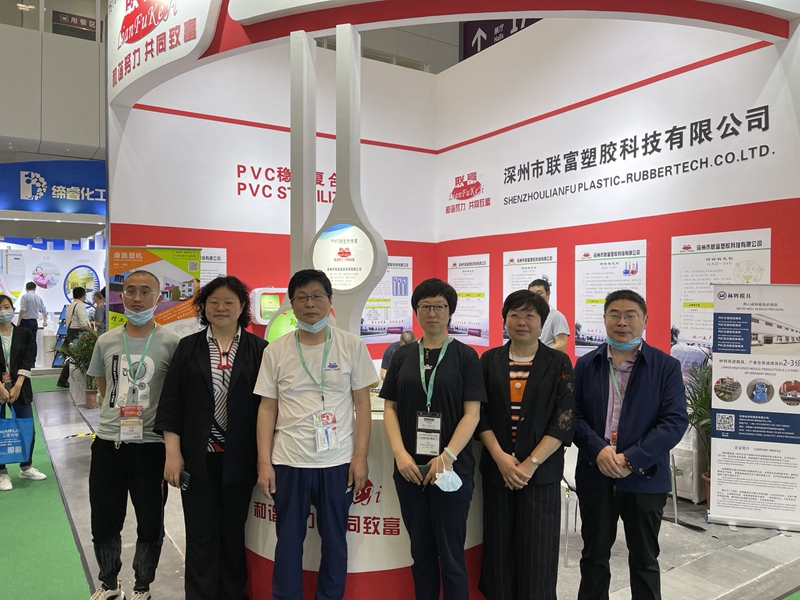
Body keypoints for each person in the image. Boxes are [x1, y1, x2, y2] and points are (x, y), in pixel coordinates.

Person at [255, 269, 377, 600]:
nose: (310, 303)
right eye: (302, 297)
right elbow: (267, 408)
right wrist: (264, 463)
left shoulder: (351, 345)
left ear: (329, 300)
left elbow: (362, 404)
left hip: (337, 462)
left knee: (335, 541)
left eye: (317, 296)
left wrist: (360, 456)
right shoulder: (276, 350)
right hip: (288, 461)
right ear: (291, 304)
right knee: (288, 542)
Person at [156, 276, 268, 599]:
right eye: (214, 302)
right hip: (197, 459)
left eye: (229, 302)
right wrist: (173, 453)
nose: (221, 307)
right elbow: (172, 403)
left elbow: (268, 407)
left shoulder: (260, 350)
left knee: (233, 535)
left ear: (242, 307)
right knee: (200, 535)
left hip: (241, 459)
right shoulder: (188, 347)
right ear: (203, 307)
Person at [573, 289, 688, 600]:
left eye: (630, 315)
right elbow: (573, 416)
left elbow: (674, 421)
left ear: (645, 320)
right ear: (605, 319)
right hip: (596, 475)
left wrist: (630, 458)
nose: (622, 322)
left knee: (645, 559)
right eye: (615, 315)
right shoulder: (587, 364)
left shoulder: (665, 366)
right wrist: (598, 449)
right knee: (594, 557)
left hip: (645, 478)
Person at [380, 278, 485, 600]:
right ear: (416, 311)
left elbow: (472, 414)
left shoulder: (466, 356)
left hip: (451, 470)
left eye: (439, 306)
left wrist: (447, 456)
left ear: (450, 311)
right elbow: (390, 408)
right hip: (410, 468)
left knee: (451, 556)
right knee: (421, 553)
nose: (432, 313)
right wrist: (400, 454)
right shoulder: (402, 355)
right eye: (425, 306)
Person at [86, 271, 181, 600]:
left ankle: (142, 586)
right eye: (129, 291)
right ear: (121, 296)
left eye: (145, 291)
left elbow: (175, 397)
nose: (136, 298)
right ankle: (109, 584)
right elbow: (103, 386)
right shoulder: (106, 340)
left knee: (150, 522)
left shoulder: (171, 343)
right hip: (108, 443)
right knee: (104, 520)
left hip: (151, 447)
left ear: (159, 298)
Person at [476, 290, 575, 600]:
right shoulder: (489, 360)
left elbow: (564, 418)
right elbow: (479, 414)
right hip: (498, 472)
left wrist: (530, 464)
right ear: (504, 320)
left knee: (538, 554)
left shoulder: (558, 362)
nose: (522, 321)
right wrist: (499, 457)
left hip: (540, 475)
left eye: (530, 315)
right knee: (498, 552)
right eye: (515, 315)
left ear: (542, 322)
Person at [0, 293, 46, 491]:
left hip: (21, 387)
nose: (3, 311)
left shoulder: (24, 333)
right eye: (0, 308)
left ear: (13, 309)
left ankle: (26, 466)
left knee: (27, 427)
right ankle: (1, 472)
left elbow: (28, 359)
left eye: (6, 307)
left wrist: (18, 385)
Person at [57, 286, 92, 387]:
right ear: (84, 295)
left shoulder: (71, 305)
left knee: (71, 357)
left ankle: (63, 379)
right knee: (74, 357)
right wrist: (90, 331)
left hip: (70, 332)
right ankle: (63, 379)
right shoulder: (80, 305)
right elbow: (83, 321)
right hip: (78, 333)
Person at [528, 279, 570, 351]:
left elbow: (561, 345)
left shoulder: (557, 317)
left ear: (548, 294)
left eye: (539, 293)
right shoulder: (526, 316)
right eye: (532, 294)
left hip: (547, 357)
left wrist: (541, 354)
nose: (535, 297)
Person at [17, 281, 48, 365]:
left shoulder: (25, 297)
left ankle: (23, 360)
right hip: (34, 322)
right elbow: (44, 311)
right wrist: (44, 321)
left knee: (22, 341)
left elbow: (22, 310)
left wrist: (18, 321)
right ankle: (32, 360)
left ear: (26, 288)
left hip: (25, 321)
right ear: (35, 288)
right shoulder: (38, 298)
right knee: (33, 341)